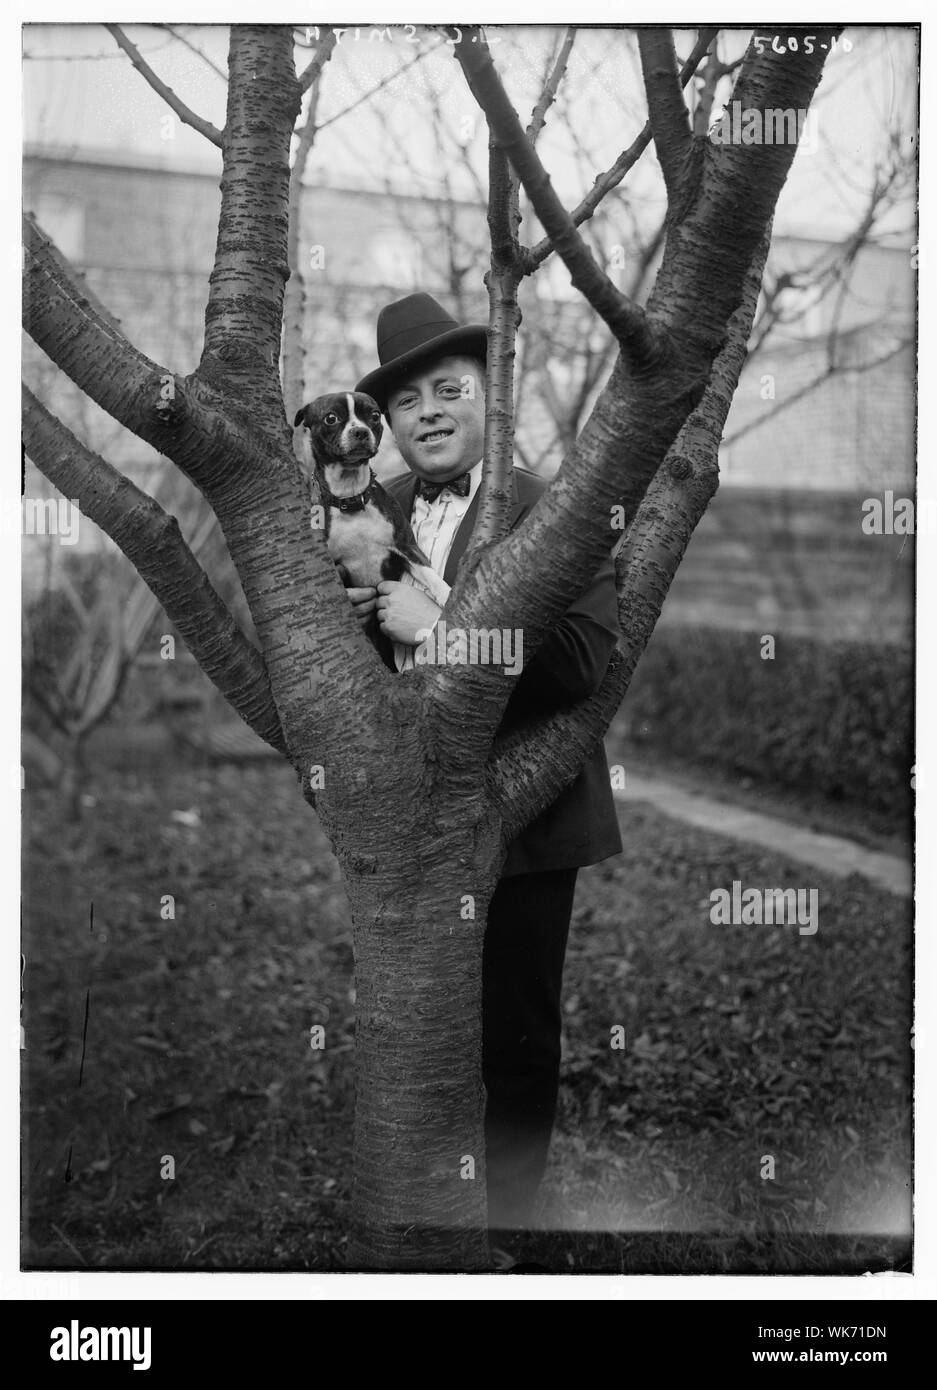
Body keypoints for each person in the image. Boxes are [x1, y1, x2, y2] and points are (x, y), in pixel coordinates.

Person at [354, 293, 623, 1235]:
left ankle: (505, 1233)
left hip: (528, 819)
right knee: (420, 1033)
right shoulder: (367, 512)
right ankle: (426, 1210)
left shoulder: (553, 506)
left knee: (513, 1031)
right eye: (404, 402)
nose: (426, 413)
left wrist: (444, 632)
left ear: (488, 395)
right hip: (410, 822)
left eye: (447, 390)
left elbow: (581, 662)